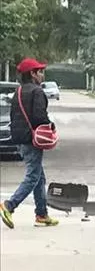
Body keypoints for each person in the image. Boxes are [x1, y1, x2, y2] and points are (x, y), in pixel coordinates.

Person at [1, 58, 59, 229]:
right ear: (32, 74)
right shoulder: (37, 92)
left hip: (19, 139)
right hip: (31, 139)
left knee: (39, 177)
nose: (42, 75)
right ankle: (9, 205)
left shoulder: (18, 92)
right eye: (40, 72)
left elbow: (13, 117)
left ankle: (41, 215)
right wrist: (50, 126)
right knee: (33, 176)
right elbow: (39, 116)